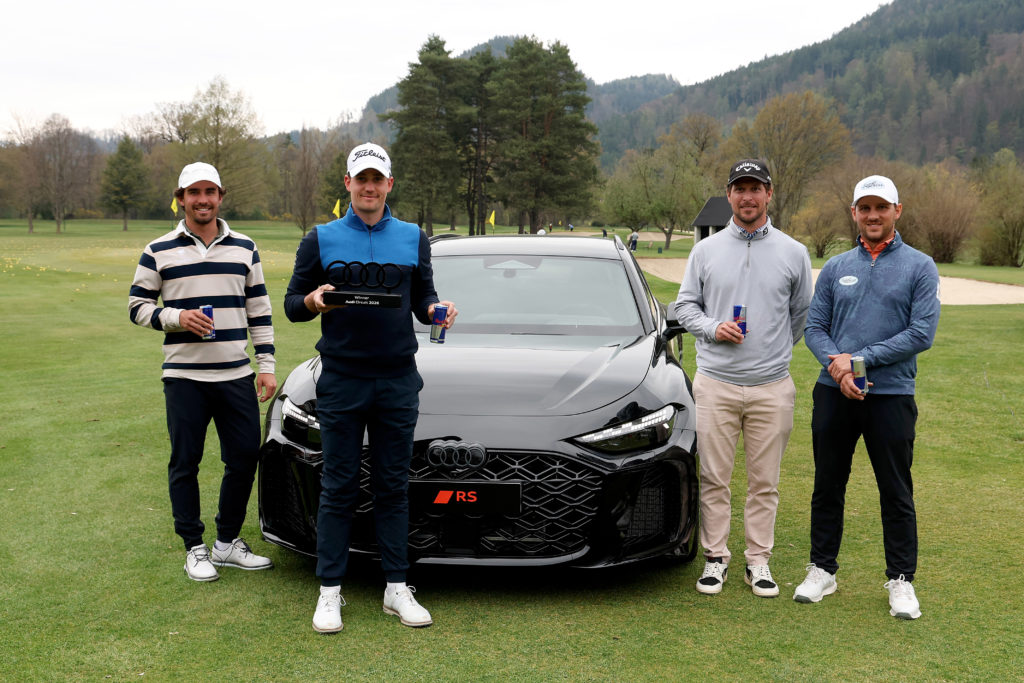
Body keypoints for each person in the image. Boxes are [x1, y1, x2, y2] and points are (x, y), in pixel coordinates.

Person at [284, 142, 457, 634]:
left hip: (397, 379)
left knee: (392, 486)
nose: (369, 187)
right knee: (338, 486)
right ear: (348, 183)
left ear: (389, 185)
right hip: (341, 379)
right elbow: (292, 304)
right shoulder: (320, 238)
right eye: (361, 179)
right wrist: (314, 301)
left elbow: (422, 299)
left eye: (377, 179)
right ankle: (330, 591)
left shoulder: (413, 238)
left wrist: (437, 311)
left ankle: (396, 587)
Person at [795, 175, 939, 620]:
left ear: (897, 210)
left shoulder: (920, 266)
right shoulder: (836, 267)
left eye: (881, 207)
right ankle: (823, 569)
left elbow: (921, 332)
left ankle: (901, 579)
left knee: (895, 490)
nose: (873, 215)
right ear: (854, 213)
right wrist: (838, 368)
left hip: (891, 394)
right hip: (833, 393)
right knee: (828, 484)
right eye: (865, 208)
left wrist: (857, 361)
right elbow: (814, 328)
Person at [129, 162, 277, 582]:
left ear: (221, 196)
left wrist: (266, 366)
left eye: (210, 191)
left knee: (244, 458)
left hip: (235, 374)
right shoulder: (158, 250)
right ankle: (194, 547)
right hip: (184, 377)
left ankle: (226, 543)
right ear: (181, 199)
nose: (203, 199)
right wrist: (176, 317)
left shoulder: (245, 247)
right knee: (185, 462)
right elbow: (137, 307)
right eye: (194, 192)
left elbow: (259, 311)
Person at [672, 159, 812, 598]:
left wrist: (771, 351)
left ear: (769, 194)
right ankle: (716, 559)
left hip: (772, 386)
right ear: (729, 194)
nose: (748, 196)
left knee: (764, 482)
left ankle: (758, 561)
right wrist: (713, 328)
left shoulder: (794, 252)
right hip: (716, 383)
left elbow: (801, 315)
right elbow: (685, 307)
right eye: (740, 188)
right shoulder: (705, 251)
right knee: (715, 477)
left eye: (756, 188)